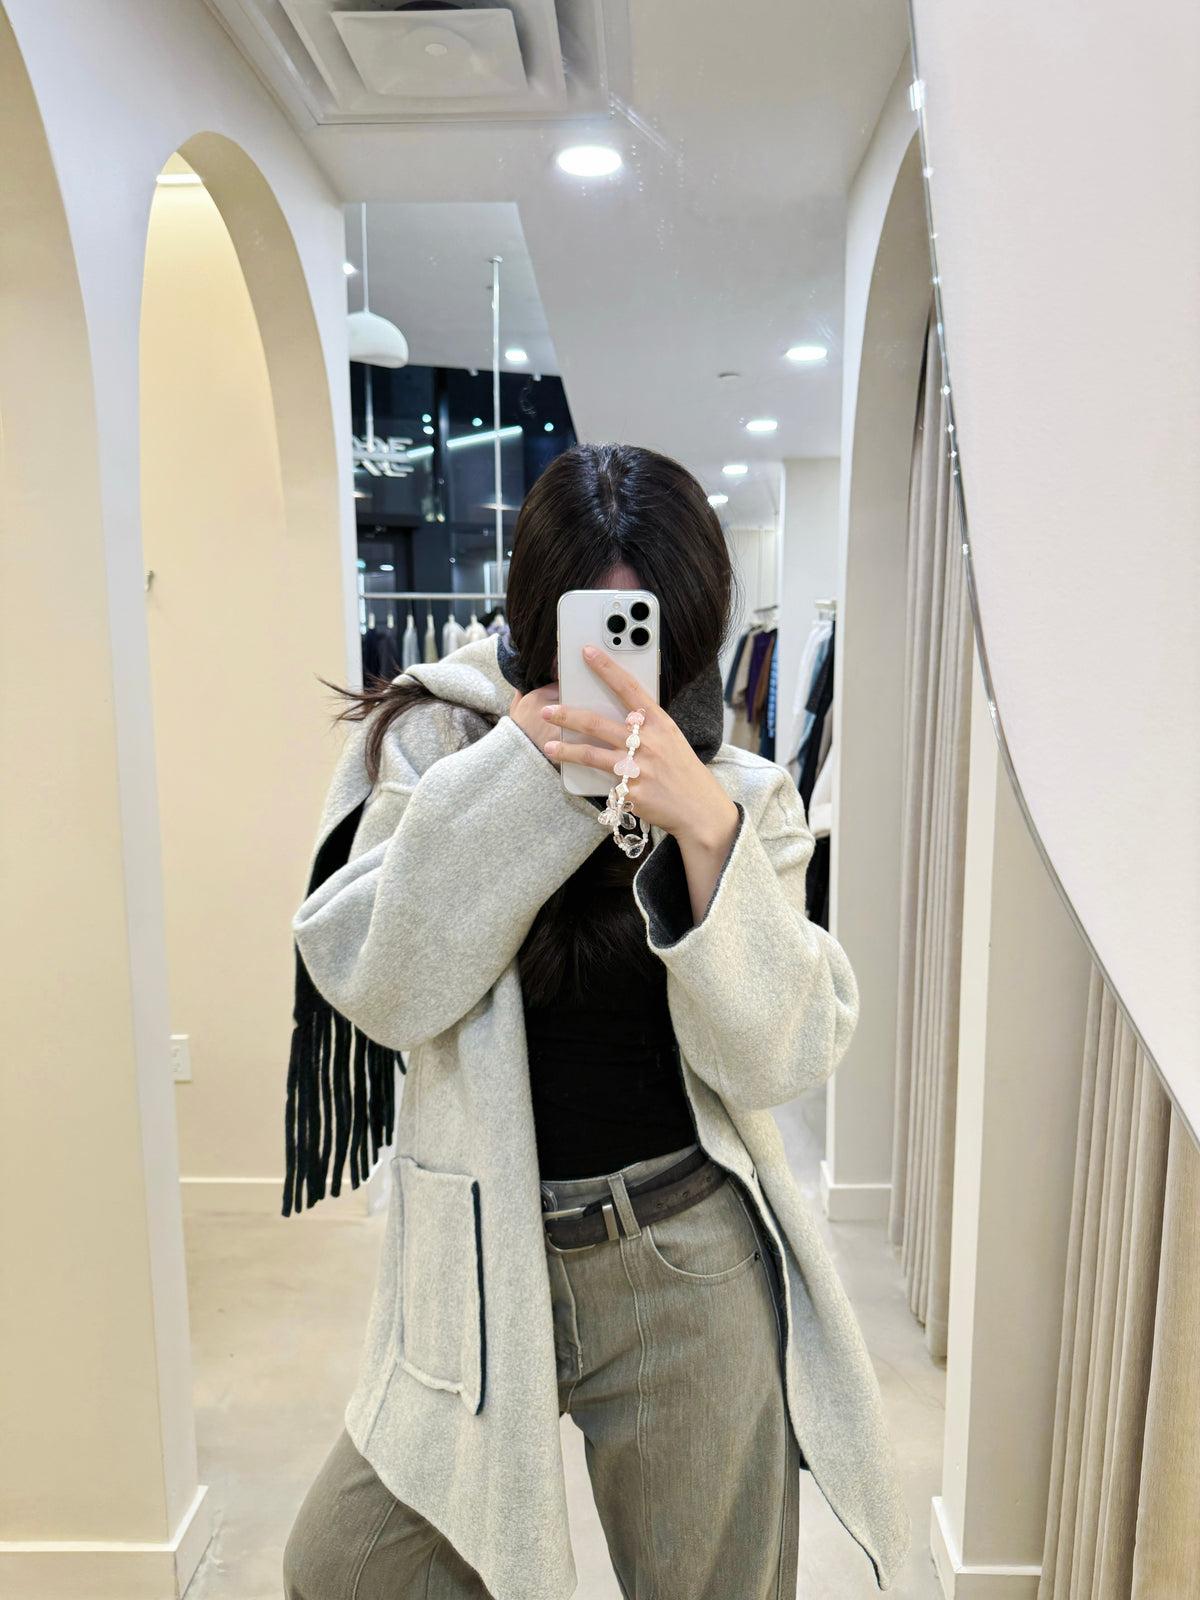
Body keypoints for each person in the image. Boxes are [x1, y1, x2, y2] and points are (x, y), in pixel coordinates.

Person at [282, 444, 910, 1600]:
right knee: (342, 1567)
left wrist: (707, 835)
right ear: (537, 613)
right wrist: (525, 776)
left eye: (646, 628)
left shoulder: (737, 790)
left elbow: (781, 1056)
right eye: (591, 626)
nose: (619, 665)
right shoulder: (436, 745)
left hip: (685, 1261)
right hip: (479, 1257)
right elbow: (378, 982)